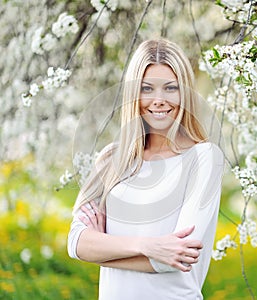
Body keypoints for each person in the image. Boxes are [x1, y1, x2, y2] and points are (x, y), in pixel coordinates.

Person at [67, 38, 224, 300]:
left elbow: (174, 259)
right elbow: (76, 243)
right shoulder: (111, 159)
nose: (159, 100)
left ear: (184, 93)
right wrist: (148, 246)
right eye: (147, 88)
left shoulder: (203, 158)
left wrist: (102, 251)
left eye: (170, 88)